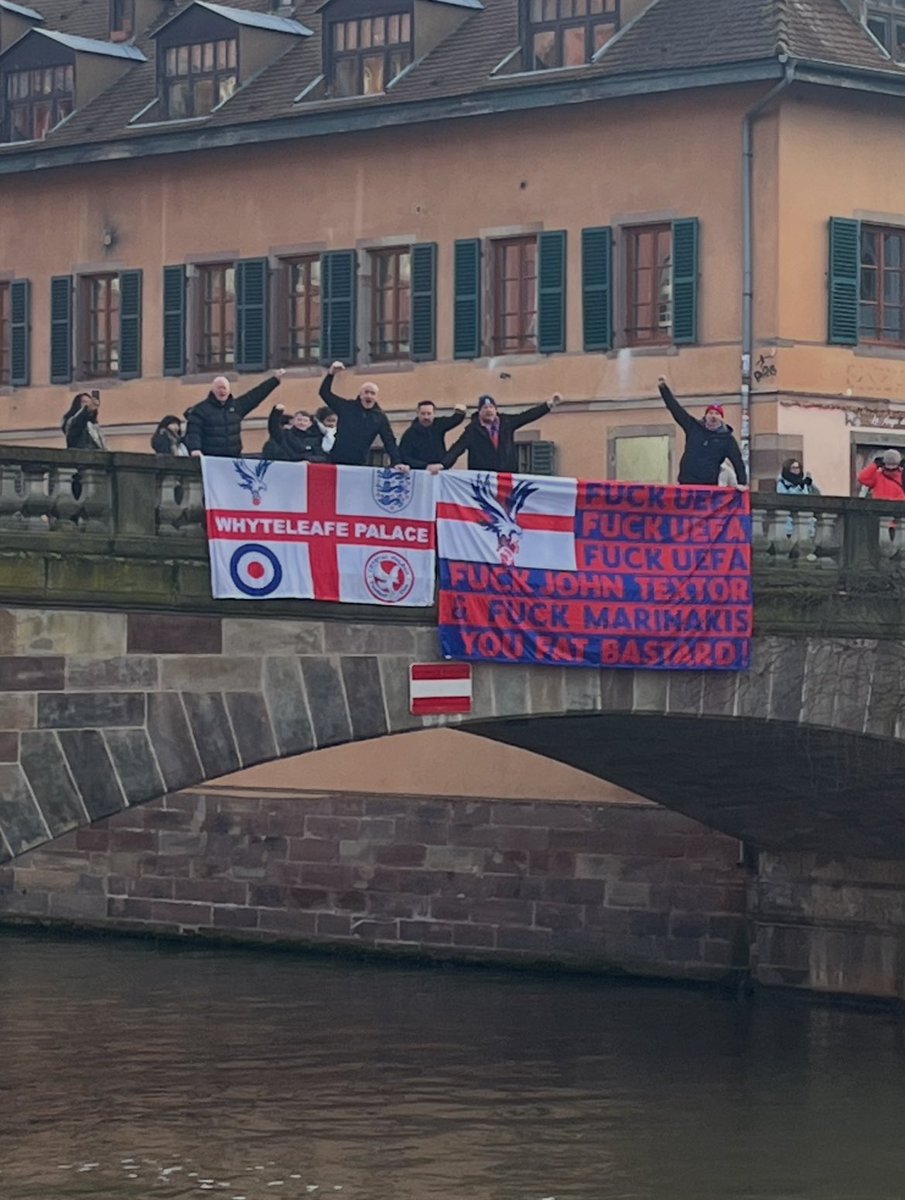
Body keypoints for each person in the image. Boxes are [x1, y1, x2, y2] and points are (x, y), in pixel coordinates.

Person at [658, 376, 747, 488]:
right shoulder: (693, 427)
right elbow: (676, 410)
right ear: (705, 415)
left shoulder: (727, 439)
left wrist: (742, 483)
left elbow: (737, 461)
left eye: (717, 414)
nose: (713, 416)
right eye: (710, 413)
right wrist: (663, 389)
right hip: (686, 482)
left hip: (708, 487)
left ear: (721, 418)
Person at [318, 362, 407, 470]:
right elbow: (324, 393)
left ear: (376, 397)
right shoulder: (346, 407)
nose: (369, 395)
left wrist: (397, 462)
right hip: (336, 460)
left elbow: (389, 441)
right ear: (360, 395)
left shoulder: (379, 417)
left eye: (372, 393)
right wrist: (331, 374)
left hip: (359, 464)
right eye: (366, 392)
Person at [441, 393, 560, 472]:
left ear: (496, 410)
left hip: (506, 478)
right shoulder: (472, 430)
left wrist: (548, 405)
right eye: (485, 408)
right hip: (484, 479)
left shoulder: (507, 423)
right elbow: (457, 448)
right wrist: (443, 465)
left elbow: (527, 416)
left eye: (491, 407)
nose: (489, 410)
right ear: (480, 412)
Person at [184, 369, 285, 458]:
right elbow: (194, 432)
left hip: (234, 458)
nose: (222, 391)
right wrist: (195, 449)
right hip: (211, 459)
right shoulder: (200, 410)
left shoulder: (237, 407)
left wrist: (274, 381)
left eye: (224, 388)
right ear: (212, 390)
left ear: (229, 390)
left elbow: (255, 395)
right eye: (219, 388)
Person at [400, 399, 467, 473]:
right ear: (417, 413)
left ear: (434, 414)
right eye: (423, 414)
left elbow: (454, 420)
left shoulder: (439, 425)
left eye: (429, 413)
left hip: (440, 470)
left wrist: (461, 411)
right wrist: (425, 466)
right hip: (420, 473)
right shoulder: (410, 434)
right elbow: (405, 457)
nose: (426, 417)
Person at [262, 406, 327, 463]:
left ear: (310, 424)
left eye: (305, 421)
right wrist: (277, 412)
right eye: (299, 420)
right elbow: (273, 427)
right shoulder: (285, 434)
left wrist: (308, 460)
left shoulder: (315, 439)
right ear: (293, 421)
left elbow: (321, 456)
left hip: (304, 470)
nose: (302, 423)